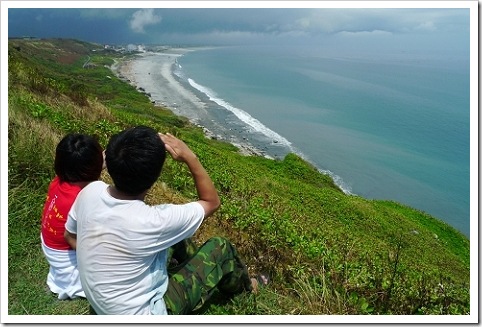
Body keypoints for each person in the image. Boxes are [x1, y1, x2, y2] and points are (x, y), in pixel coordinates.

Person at [64, 125, 257, 315]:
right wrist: (190, 157)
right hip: (148, 312)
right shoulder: (154, 221)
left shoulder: (89, 192)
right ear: (155, 176)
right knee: (220, 247)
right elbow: (211, 202)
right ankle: (249, 288)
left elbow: (70, 235)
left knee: (178, 237)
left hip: (102, 307)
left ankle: (191, 268)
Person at [40, 133, 104, 300]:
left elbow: (79, 169)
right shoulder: (83, 199)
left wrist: (98, 163)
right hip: (64, 254)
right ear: (94, 168)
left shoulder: (59, 181)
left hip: (51, 245)